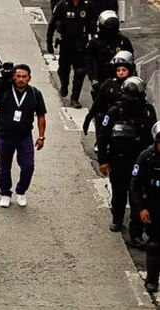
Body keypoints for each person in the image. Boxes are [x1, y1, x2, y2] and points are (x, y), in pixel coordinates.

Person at [98, 77, 156, 245]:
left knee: (138, 196)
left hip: (140, 161)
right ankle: (117, 218)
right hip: (118, 160)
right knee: (119, 193)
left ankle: (136, 233)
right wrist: (103, 160)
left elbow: (153, 136)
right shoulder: (115, 111)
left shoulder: (148, 111)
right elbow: (103, 136)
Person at [0, 64, 47, 208]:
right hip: (4, 136)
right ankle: (5, 193)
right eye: (18, 76)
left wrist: (41, 136)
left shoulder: (35, 94)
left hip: (24, 137)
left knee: (28, 166)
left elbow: (41, 116)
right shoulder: (5, 90)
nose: (21, 79)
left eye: (24, 77)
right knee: (4, 167)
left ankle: (21, 191)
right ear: (13, 76)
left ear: (29, 78)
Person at [48, 0, 93, 108]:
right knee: (64, 69)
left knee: (80, 71)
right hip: (66, 43)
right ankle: (64, 85)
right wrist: (49, 42)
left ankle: (75, 98)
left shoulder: (88, 5)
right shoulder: (62, 6)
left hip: (81, 43)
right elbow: (52, 24)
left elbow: (94, 24)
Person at [130, 124, 160, 293]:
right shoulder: (146, 157)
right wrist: (141, 208)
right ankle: (152, 280)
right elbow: (135, 184)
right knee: (154, 245)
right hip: (154, 208)